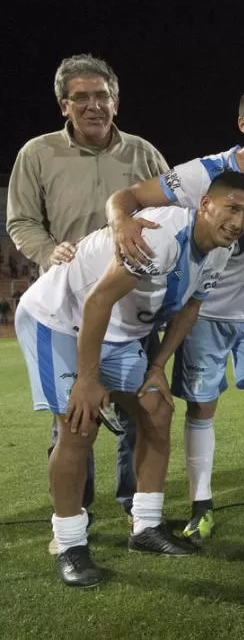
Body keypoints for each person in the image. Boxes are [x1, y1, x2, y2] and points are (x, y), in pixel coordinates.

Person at [15, 170, 244, 586]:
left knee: (157, 410)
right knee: (79, 425)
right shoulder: (160, 237)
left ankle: (145, 527)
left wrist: (157, 366)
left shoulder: (220, 249)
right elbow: (97, 301)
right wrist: (88, 380)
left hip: (119, 331)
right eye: (231, 208)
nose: (237, 221)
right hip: (59, 319)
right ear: (204, 205)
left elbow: (189, 311)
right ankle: (71, 544)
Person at [107, 85, 244, 543]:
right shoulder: (202, 175)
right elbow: (128, 198)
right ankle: (201, 507)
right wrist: (120, 223)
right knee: (201, 407)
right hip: (201, 313)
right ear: (243, 123)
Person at [6, 54, 168, 534]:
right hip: (70, 304)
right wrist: (49, 251)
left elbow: (171, 209)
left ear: (115, 101)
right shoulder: (37, 154)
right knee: (76, 418)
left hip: (134, 304)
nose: (94, 105)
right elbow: (20, 221)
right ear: (63, 105)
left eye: (102, 96)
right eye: (82, 97)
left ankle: (134, 502)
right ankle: (77, 510)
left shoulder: (143, 152)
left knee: (140, 408)